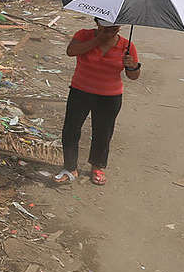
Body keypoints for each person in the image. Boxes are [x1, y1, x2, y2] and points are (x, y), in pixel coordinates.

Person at [54, 18, 140, 185]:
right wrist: (97, 40)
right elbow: (71, 51)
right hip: (80, 91)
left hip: (109, 96)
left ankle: (97, 167)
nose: (111, 31)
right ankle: (70, 167)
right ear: (97, 23)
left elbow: (133, 76)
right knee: (71, 129)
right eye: (106, 27)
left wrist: (132, 65)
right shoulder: (84, 35)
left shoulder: (126, 46)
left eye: (115, 28)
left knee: (103, 133)